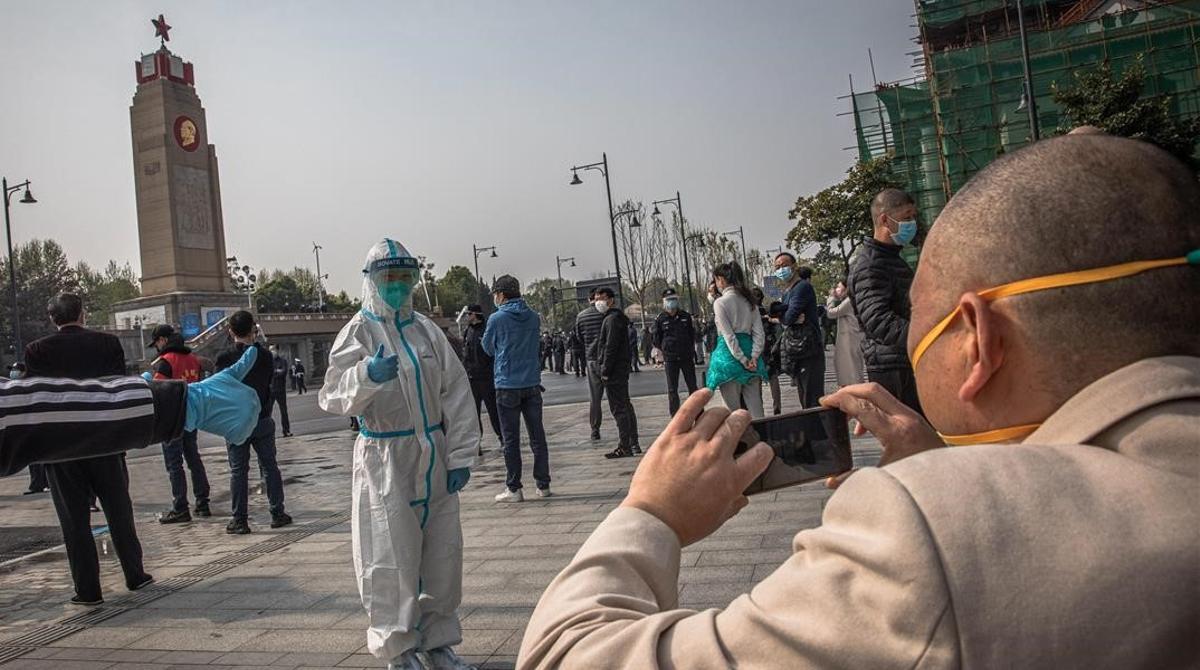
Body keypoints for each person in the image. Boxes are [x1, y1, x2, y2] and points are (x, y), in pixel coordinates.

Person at [517, 133, 1200, 668]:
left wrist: (650, 515)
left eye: (923, 323)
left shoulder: (931, 530)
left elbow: (563, 656)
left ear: (979, 340)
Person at [319, 238, 478, 670]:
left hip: (433, 452)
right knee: (389, 556)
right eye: (390, 278)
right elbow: (333, 396)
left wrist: (461, 452)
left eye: (406, 278)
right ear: (372, 281)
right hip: (384, 456)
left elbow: (457, 391)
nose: (398, 286)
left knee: (442, 554)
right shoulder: (358, 332)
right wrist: (365, 375)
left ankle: (438, 641)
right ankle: (398, 649)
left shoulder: (426, 330)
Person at [23, 293, 153, 606]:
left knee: (74, 521)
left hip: (62, 447)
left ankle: (88, 590)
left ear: (53, 319)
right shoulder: (108, 344)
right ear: (83, 314)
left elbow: (36, 397)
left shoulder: (36, 350)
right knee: (119, 511)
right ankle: (135, 574)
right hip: (105, 440)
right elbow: (118, 387)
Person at [1, 347, 262, 478]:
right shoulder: (185, 360)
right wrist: (185, 404)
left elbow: (21, 412)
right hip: (167, 410)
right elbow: (27, 412)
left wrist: (180, 404)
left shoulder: (167, 360)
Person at [846, 187, 923, 415]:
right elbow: (878, 321)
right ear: (884, 220)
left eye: (913, 217)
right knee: (908, 439)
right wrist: (923, 333)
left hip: (900, 361)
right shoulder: (871, 264)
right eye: (906, 217)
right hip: (892, 367)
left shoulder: (889, 259)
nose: (912, 223)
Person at [215, 311, 291, 535]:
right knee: (269, 466)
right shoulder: (265, 356)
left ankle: (239, 520)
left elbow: (220, 389)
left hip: (236, 423)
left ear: (231, 332)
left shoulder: (224, 357)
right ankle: (277, 512)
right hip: (262, 418)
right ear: (253, 330)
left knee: (238, 471)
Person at [483, 275, 551, 502]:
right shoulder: (533, 317)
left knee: (510, 439)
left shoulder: (496, 319)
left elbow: (488, 348)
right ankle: (543, 485)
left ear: (501, 294)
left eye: (495, 294)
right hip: (532, 383)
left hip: (507, 384)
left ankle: (514, 488)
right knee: (537, 436)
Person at [147, 324, 211, 524]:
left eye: (157, 342)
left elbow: (157, 392)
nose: (156, 347)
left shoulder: (165, 362)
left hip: (171, 422)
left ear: (163, 340)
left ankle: (180, 506)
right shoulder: (194, 360)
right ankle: (203, 502)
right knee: (193, 459)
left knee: (174, 464)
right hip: (190, 417)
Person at [704, 262, 766, 418]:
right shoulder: (750, 302)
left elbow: (728, 335)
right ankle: (762, 437)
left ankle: (738, 441)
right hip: (751, 353)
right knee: (756, 408)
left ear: (721, 280)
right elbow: (759, 333)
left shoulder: (720, 302)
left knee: (733, 413)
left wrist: (742, 359)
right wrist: (753, 357)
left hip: (729, 358)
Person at [772, 256, 826, 408]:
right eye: (777, 267)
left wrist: (786, 316)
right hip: (796, 349)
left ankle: (820, 431)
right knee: (804, 399)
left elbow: (788, 317)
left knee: (812, 399)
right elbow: (784, 317)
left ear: (794, 266)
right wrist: (786, 317)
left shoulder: (802, 287)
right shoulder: (787, 292)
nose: (780, 269)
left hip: (809, 348)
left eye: (784, 265)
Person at [595, 291, 641, 459]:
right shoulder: (615, 317)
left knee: (619, 408)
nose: (598, 302)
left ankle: (625, 445)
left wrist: (605, 370)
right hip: (620, 368)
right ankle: (631, 442)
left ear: (611, 300)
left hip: (614, 371)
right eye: (597, 299)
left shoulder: (612, 319)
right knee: (625, 405)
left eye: (601, 298)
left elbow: (610, 347)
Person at [652, 288, 698, 416]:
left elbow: (691, 334)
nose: (671, 302)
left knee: (692, 387)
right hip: (670, 358)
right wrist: (665, 350)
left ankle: (698, 414)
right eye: (669, 300)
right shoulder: (660, 319)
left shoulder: (685, 316)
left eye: (674, 299)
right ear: (664, 302)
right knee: (672, 390)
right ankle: (675, 417)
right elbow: (656, 339)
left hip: (686, 356)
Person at [462, 304, 502, 441]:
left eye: (469, 314)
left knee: (493, 411)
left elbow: (493, 353)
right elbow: (465, 354)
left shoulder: (486, 330)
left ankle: (502, 438)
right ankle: (477, 442)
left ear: (475, 314)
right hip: (472, 379)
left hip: (487, 378)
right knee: (474, 414)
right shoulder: (468, 331)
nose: (467, 316)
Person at [575, 288, 608, 441]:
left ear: (589, 300)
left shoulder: (581, 317)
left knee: (595, 398)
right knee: (617, 396)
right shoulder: (606, 314)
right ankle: (625, 428)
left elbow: (579, 338)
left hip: (591, 359)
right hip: (607, 358)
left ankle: (595, 429)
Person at [826, 280, 866, 388]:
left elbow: (831, 313)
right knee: (848, 366)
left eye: (839, 287)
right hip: (849, 337)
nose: (837, 289)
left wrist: (831, 298)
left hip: (850, 338)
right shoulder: (850, 300)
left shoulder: (849, 301)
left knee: (851, 368)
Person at [755, 290, 784, 416]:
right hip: (769, 348)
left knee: (757, 381)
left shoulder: (751, 314)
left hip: (755, 350)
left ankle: (758, 407)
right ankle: (777, 407)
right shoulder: (768, 313)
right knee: (773, 378)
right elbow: (777, 331)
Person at [268, 345, 293, 437]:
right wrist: (276, 371)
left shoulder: (283, 361)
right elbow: (267, 374)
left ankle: (286, 430)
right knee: (268, 412)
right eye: (270, 350)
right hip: (270, 390)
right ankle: (269, 433)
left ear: (277, 350)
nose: (272, 352)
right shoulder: (268, 362)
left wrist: (275, 372)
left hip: (280, 389)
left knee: (284, 411)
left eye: (274, 350)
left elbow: (283, 372)